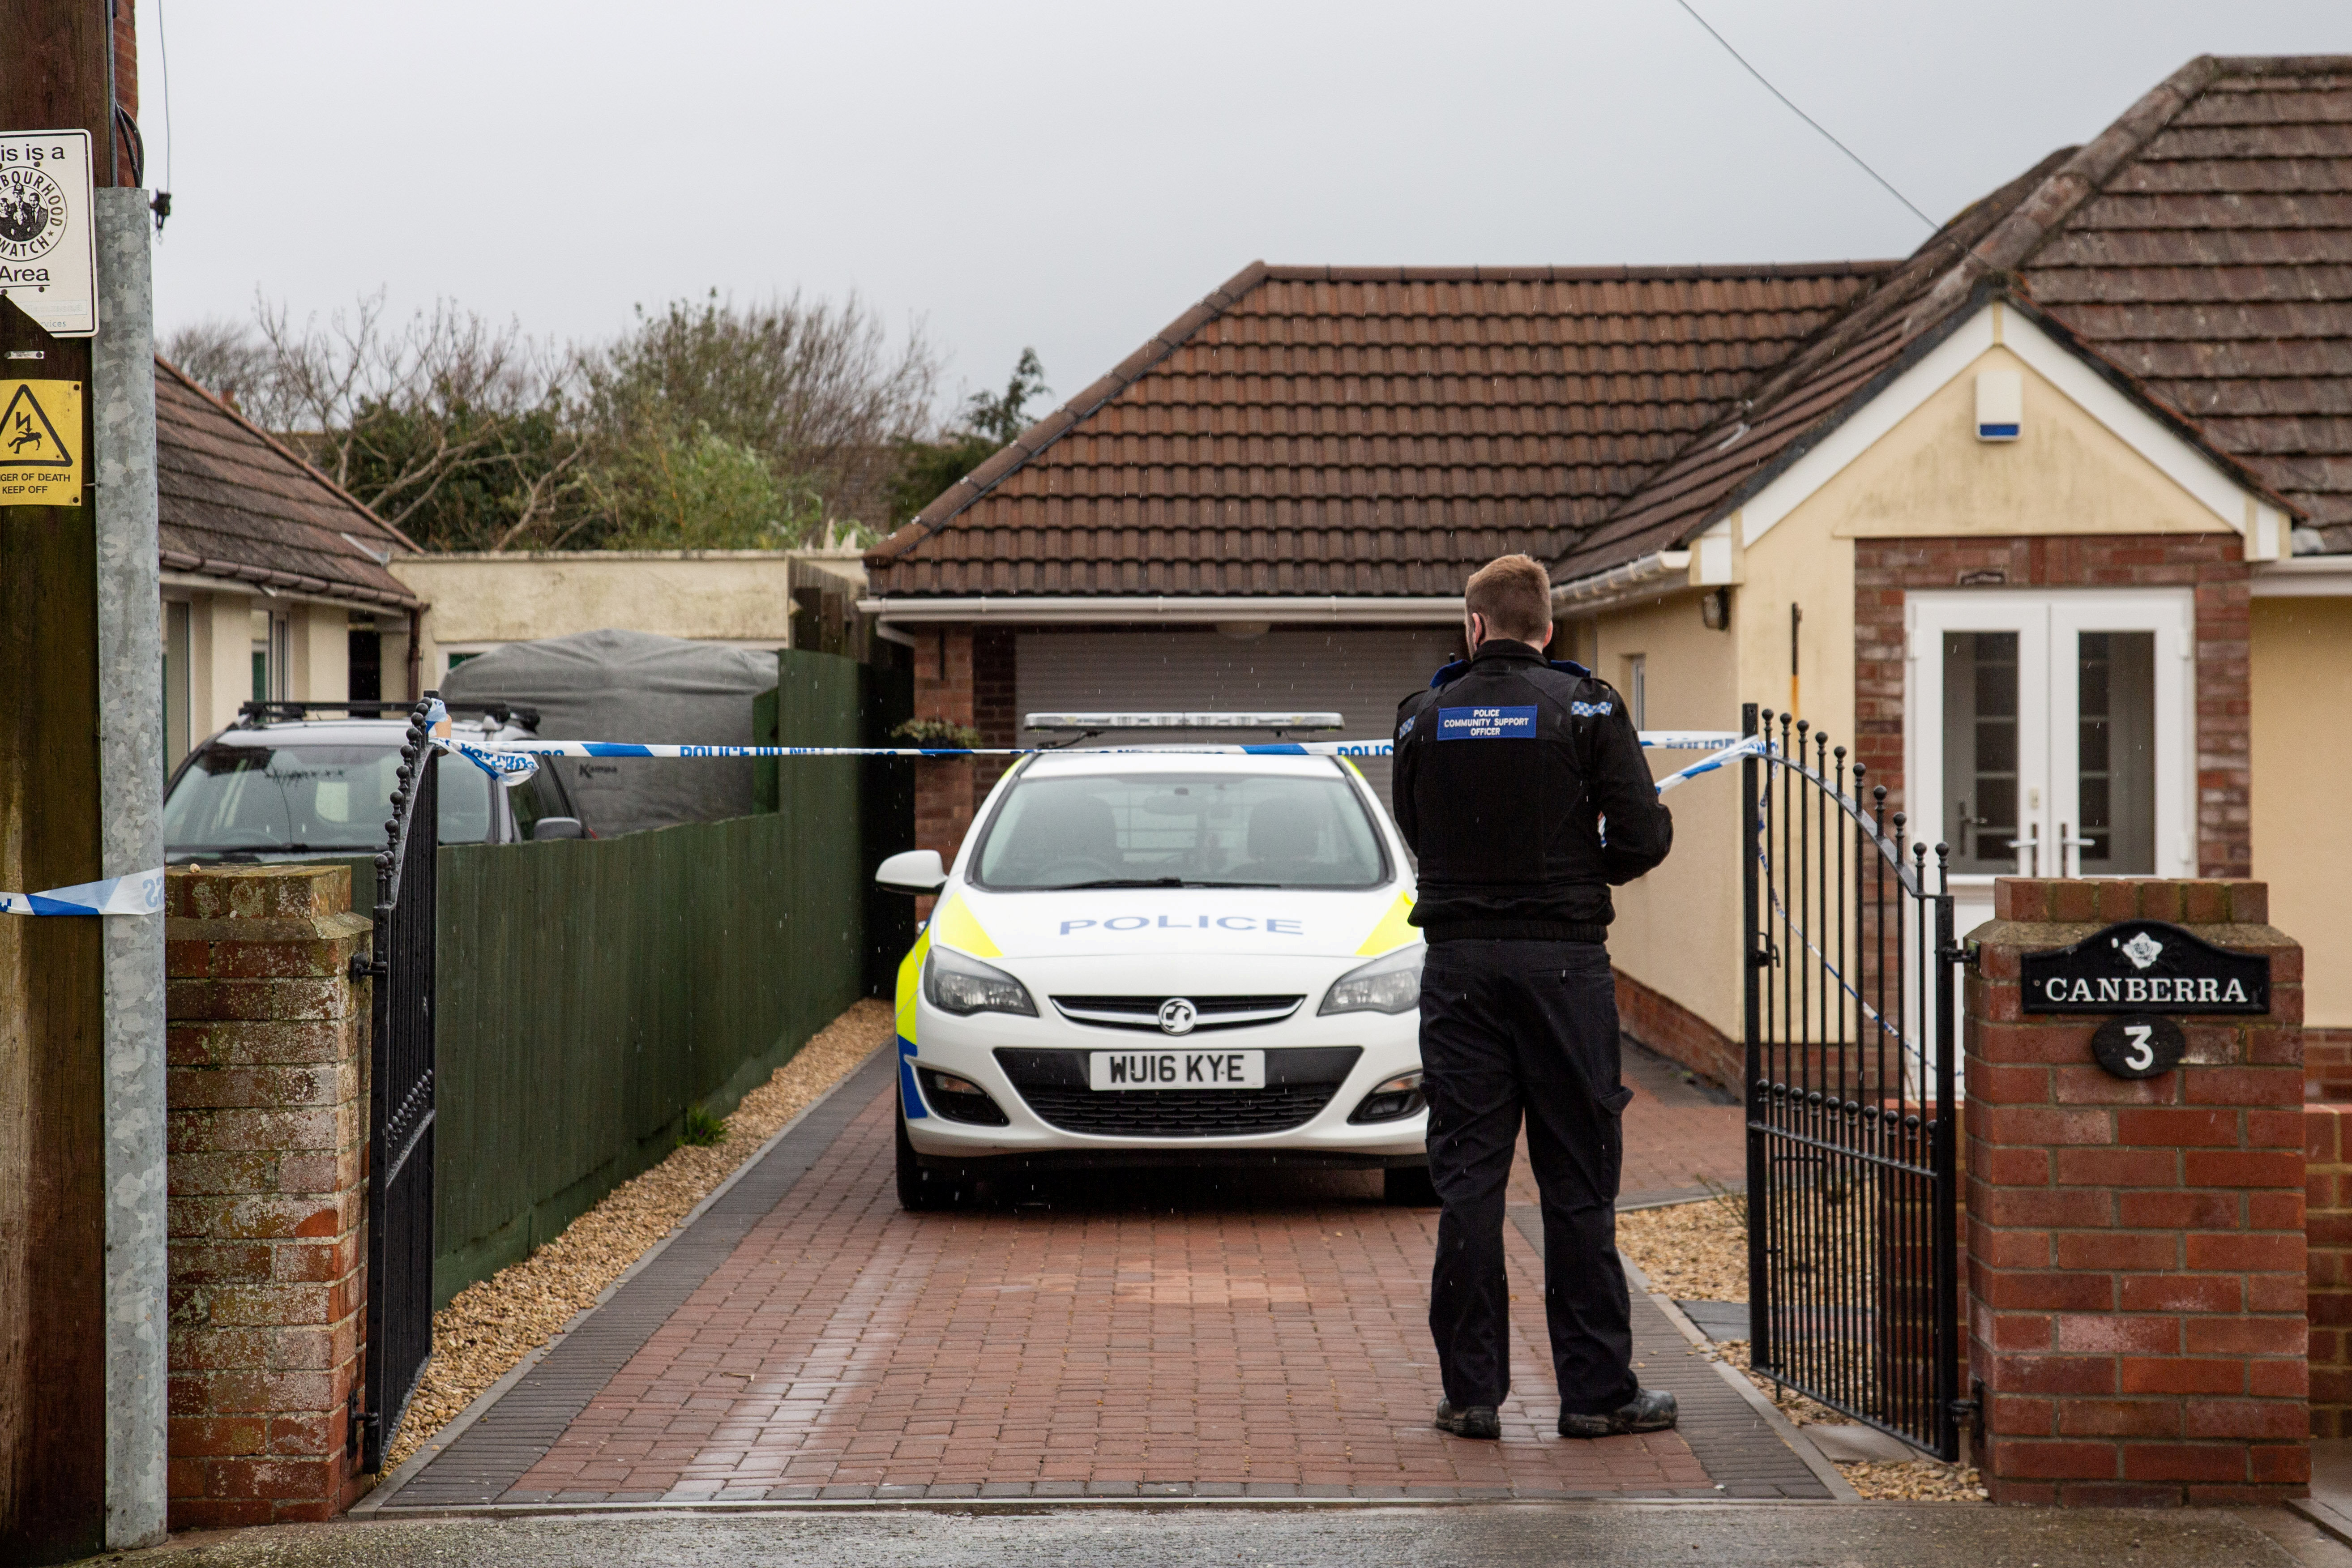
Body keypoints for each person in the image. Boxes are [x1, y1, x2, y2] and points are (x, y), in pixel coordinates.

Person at [1391, 552, 1678, 1441]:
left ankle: (1471, 1395)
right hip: (1563, 969)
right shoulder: (1586, 706)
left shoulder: (1421, 717)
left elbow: (1411, 822)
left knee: (1469, 1182)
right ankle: (1595, 1394)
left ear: (1472, 628)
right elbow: (1642, 832)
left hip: (1458, 970)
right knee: (1578, 1184)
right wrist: (1576, 874)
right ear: (1545, 629)